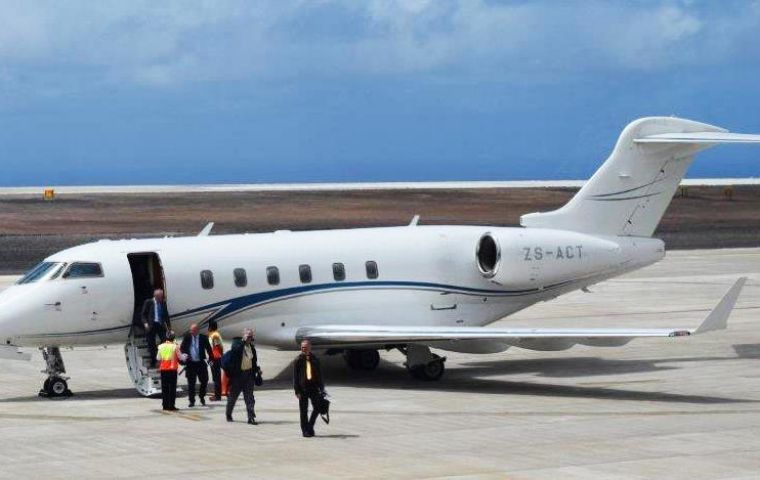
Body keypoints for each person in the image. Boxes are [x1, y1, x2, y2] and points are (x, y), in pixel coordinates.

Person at [225, 328, 259, 424]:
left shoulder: (252, 348)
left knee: (249, 398)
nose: (249, 338)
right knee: (233, 397)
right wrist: (243, 342)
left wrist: (257, 371)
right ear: (243, 336)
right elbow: (234, 352)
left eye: (251, 336)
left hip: (249, 376)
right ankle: (228, 413)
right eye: (248, 336)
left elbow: (254, 361)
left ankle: (251, 417)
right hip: (238, 376)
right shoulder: (238, 345)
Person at [293, 340, 325, 437]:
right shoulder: (298, 360)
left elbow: (319, 374)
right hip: (303, 389)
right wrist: (297, 391)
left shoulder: (314, 359)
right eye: (302, 347)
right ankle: (305, 431)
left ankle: (310, 426)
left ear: (310, 348)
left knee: (317, 407)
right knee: (303, 411)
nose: (303, 349)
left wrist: (322, 388)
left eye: (305, 347)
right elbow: (295, 377)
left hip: (314, 387)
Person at [180, 323, 213, 407]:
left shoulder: (203, 338)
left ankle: (202, 397)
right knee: (191, 383)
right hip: (190, 364)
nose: (191, 332)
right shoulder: (187, 337)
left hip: (200, 363)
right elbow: (182, 348)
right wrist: (183, 357)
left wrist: (211, 360)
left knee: (204, 381)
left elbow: (209, 349)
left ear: (197, 330)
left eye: (193, 330)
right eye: (191, 330)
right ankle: (192, 401)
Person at [142, 289, 171, 368]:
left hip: (160, 325)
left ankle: (161, 358)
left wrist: (169, 328)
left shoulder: (163, 303)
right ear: (155, 296)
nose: (161, 299)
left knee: (165, 341)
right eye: (160, 297)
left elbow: (166, 316)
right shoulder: (148, 302)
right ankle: (153, 361)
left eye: (162, 297)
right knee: (151, 344)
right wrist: (146, 324)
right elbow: (143, 315)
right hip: (151, 326)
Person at [156, 331, 181, 411]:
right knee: (172, 388)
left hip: (163, 370)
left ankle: (165, 405)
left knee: (164, 388)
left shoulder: (161, 346)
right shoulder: (175, 346)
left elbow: (158, 358)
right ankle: (171, 405)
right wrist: (185, 356)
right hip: (172, 370)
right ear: (173, 338)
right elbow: (180, 357)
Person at [207, 320, 224, 401]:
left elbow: (218, 347)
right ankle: (217, 394)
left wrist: (217, 356)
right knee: (215, 377)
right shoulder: (213, 335)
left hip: (215, 358)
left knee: (216, 377)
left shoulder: (215, 335)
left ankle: (217, 396)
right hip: (214, 358)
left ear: (210, 327)